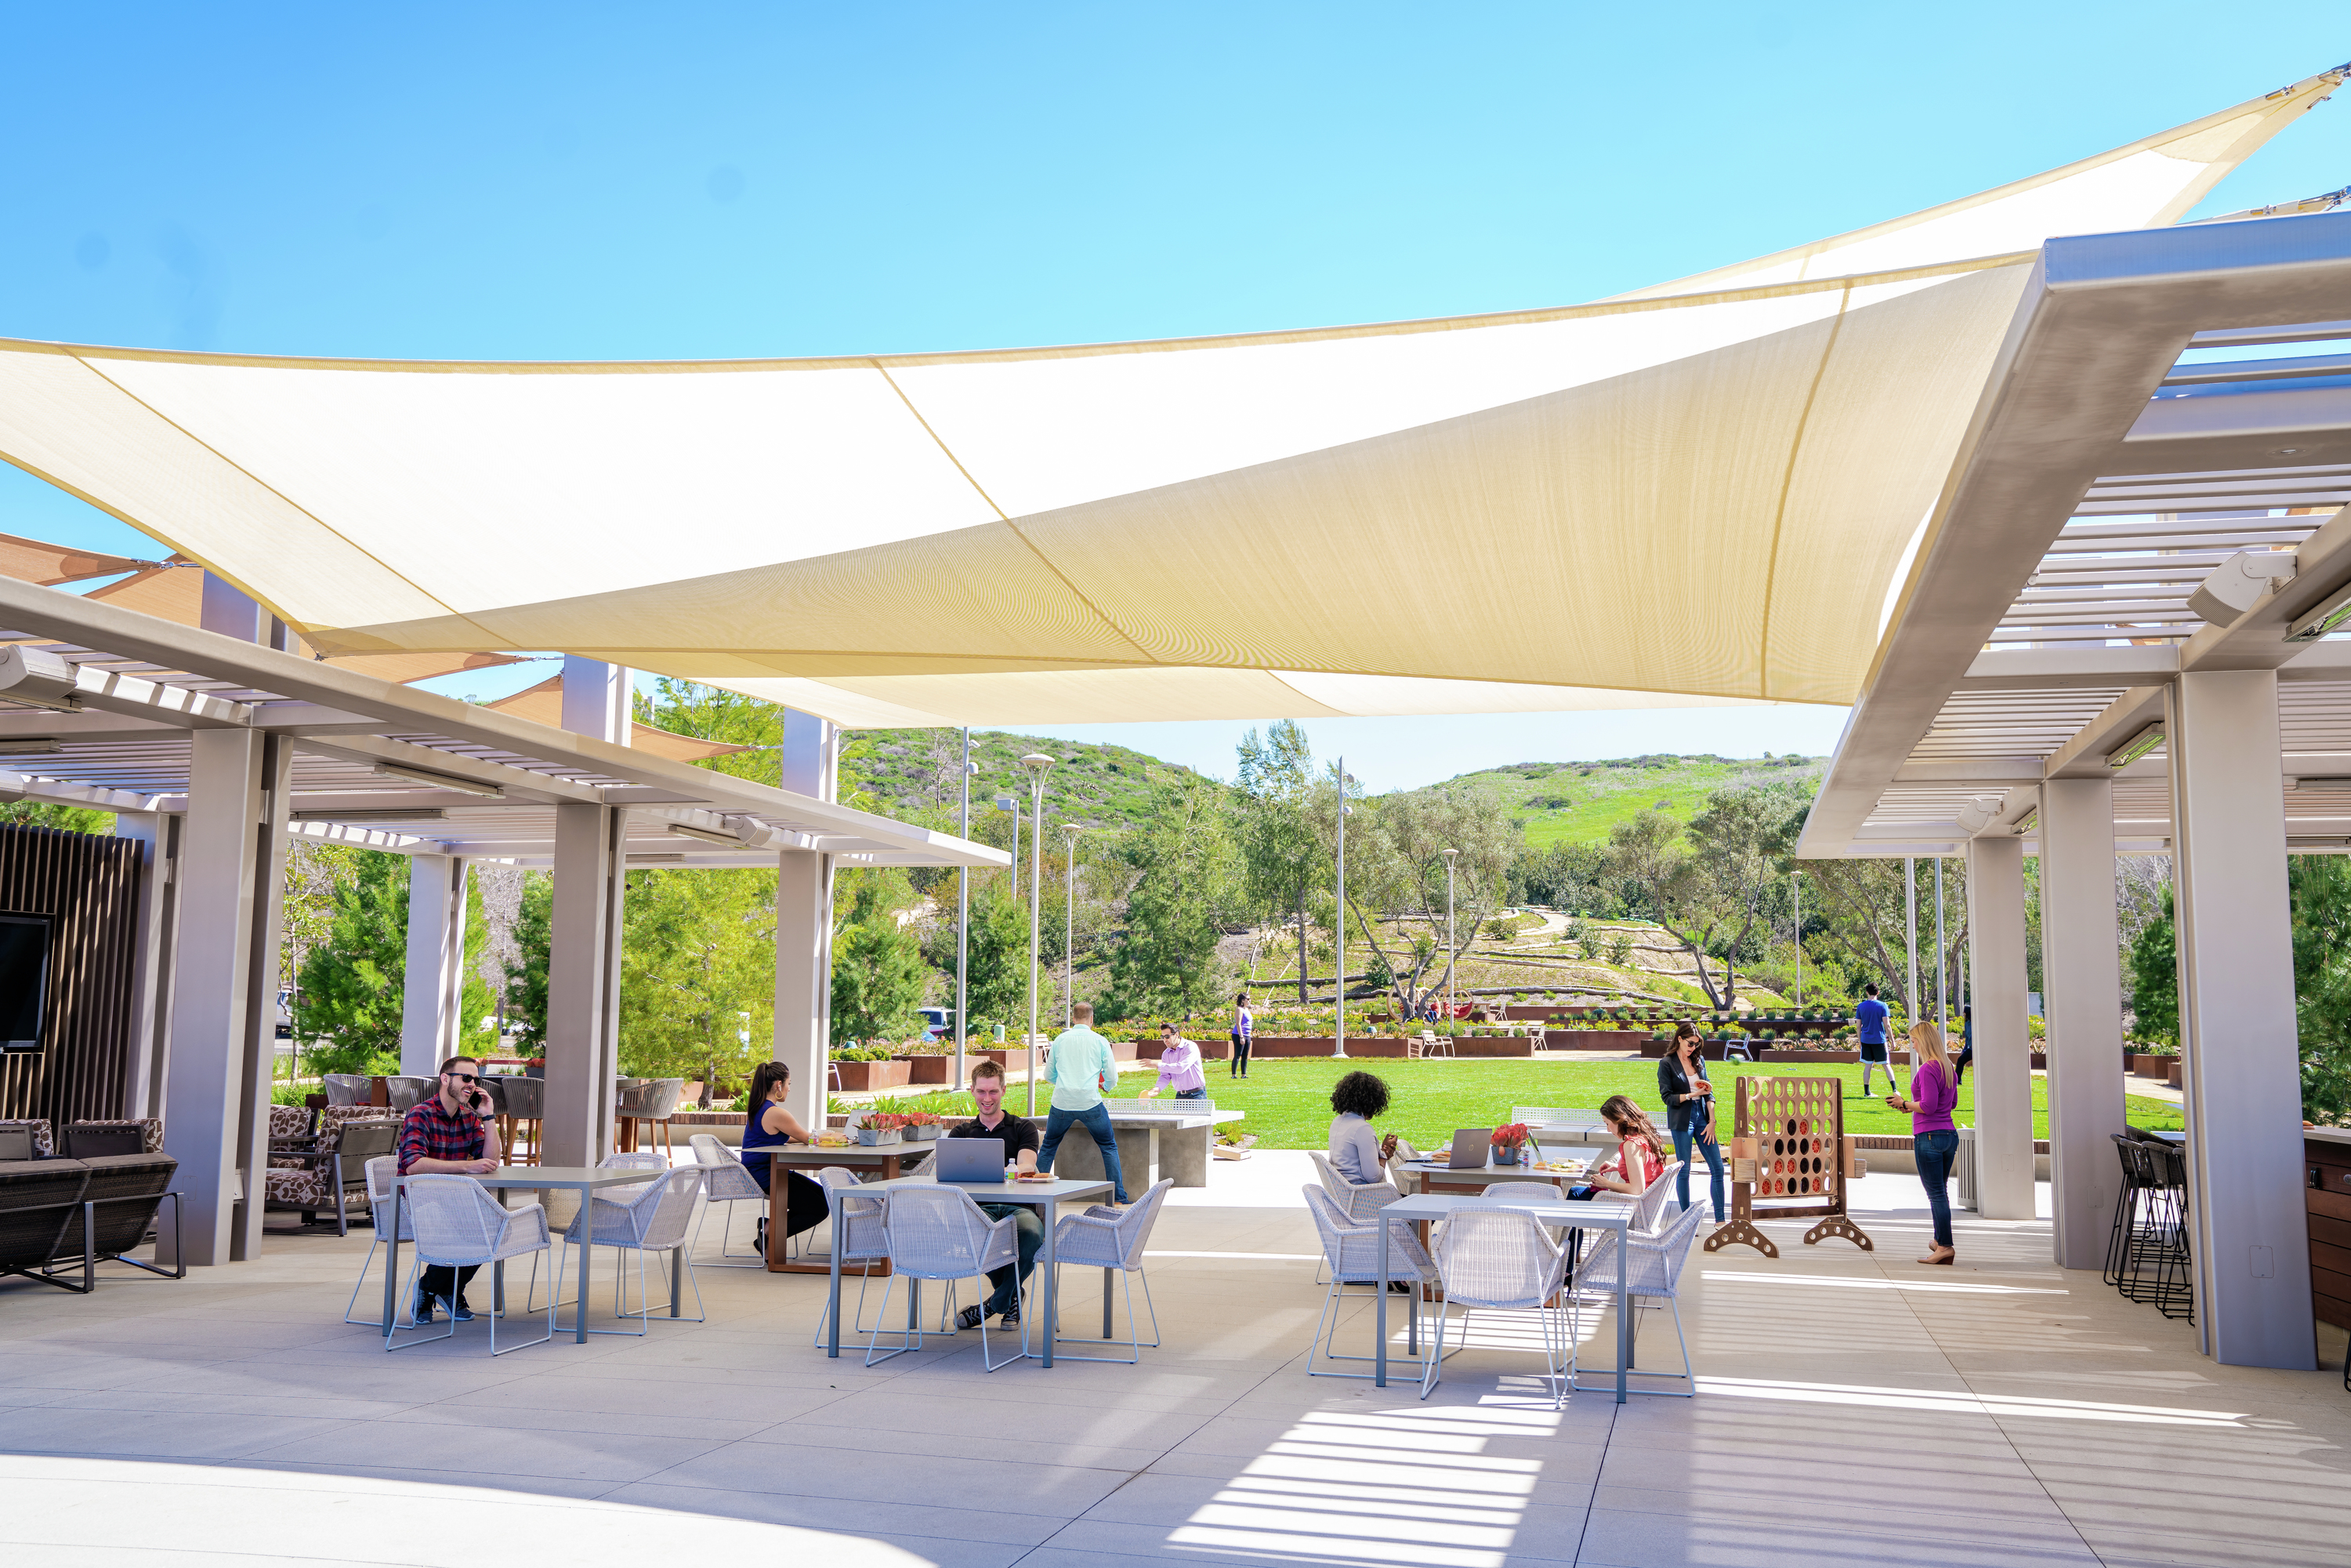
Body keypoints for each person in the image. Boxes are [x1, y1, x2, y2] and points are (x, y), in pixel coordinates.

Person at [395, 1055, 503, 1323]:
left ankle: (437, 1288)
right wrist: (465, 1167)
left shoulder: (469, 1117)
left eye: (476, 1080)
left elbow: (491, 1160)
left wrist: (488, 1116)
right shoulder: (421, 1113)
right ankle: (442, 1288)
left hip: (456, 1197)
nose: (472, 1085)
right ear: (445, 1079)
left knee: (495, 1226)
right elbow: (413, 1165)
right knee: (471, 1225)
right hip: (421, 1199)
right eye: (466, 1078)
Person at [950, 1059, 1043, 1330]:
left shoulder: (1022, 1128)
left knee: (1033, 1235)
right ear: (972, 1091)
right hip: (980, 1210)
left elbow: (1028, 1164)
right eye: (981, 1092)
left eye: (993, 1092)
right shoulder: (961, 1133)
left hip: (1018, 1208)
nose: (987, 1098)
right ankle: (1012, 1296)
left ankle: (996, 1304)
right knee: (969, 1233)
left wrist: (1002, 1171)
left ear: (1003, 1090)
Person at [1038, 1001, 1129, 1204]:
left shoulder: (1060, 1040)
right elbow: (1111, 1076)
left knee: (1048, 1147)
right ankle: (1119, 1197)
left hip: (1062, 1103)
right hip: (1090, 1103)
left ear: (1073, 1019)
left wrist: (1064, 1083)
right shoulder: (1100, 1041)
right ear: (1092, 1019)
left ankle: (1033, 1195)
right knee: (1108, 1146)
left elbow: (1048, 1074)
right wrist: (1106, 1087)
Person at [1886, 1020, 1959, 1265]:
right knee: (1941, 1191)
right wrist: (1909, 1107)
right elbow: (1951, 1104)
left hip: (1929, 1136)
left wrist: (1904, 1104)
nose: (1913, 1045)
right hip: (1949, 1135)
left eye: (1914, 1041)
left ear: (1924, 1041)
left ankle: (1945, 1246)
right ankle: (1940, 1241)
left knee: (1936, 1194)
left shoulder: (1928, 1069)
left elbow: (1927, 1106)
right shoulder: (1948, 1066)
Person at [738, 1059, 828, 1259]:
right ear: (779, 1085)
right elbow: (808, 1139)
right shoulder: (776, 1113)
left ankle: (768, 1228)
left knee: (823, 1198)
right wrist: (834, 1137)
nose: (789, 1089)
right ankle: (770, 1231)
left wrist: (817, 1137)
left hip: (767, 1170)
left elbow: (789, 1136)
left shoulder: (761, 1108)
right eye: (789, 1084)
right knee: (820, 1207)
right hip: (765, 1175)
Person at [1657, 1022, 1726, 1222]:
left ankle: (1720, 1220)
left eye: (1696, 1044)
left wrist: (1712, 1120)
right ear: (1679, 1038)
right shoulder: (1667, 1063)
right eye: (1690, 1043)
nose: (1692, 1048)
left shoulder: (1699, 1060)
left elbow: (1709, 1093)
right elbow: (1667, 1098)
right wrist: (1691, 1094)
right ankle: (1687, 1221)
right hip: (1682, 1119)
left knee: (1718, 1168)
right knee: (1684, 1170)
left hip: (1703, 1118)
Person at [1579, 1094, 1666, 1197]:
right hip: (1648, 1200)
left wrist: (1606, 1183)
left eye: (1607, 1123)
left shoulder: (1631, 1145)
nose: (1608, 1129)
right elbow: (1645, 1168)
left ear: (1618, 1119)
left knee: (1575, 1192)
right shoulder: (1645, 1137)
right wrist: (1618, 1167)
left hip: (1633, 1204)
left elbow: (1637, 1190)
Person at [1327, 1070, 1398, 1186]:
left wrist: (1382, 1151)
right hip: (1365, 1197)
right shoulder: (1362, 1129)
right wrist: (1384, 1154)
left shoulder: (1338, 1121)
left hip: (1343, 1194)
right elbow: (1373, 1177)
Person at [1142, 1023, 1208, 1099]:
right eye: (1162, 1037)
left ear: (1176, 1035)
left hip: (1197, 1094)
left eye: (1167, 1036)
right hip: (1180, 1095)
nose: (1165, 1040)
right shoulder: (1166, 1054)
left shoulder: (1190, 1047)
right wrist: (1158, 1088)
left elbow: (1181, 1068)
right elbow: (1165, 1076)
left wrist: (1157, 1065)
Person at [1855, 983, 1894, 1095]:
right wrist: (1892, 1040)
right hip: (1879, 1040)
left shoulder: (1861, 1006)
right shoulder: (1882, 1006)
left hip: (1866, 1040)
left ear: (1867, 992)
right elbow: (1887, 1025)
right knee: (1886, 1065)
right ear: (1878, 992)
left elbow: (1858, 1026)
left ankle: (1867, 1092)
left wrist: (1860, 1040)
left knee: (1868, 1066)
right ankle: (1895, 1089)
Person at [1230, 992, 1254, 1079]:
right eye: (1248, 999)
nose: (1249, 1000)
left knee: (1245, 1055)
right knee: (1238, 1054)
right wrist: (1241, 1037)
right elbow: (1238, 1023)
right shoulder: (1239, 1010)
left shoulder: (1247, 1010)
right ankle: (1234, 1075)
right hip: (1239, 1035)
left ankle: (1244, 1075)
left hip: (1247, 1035)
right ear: (1242, 1000)